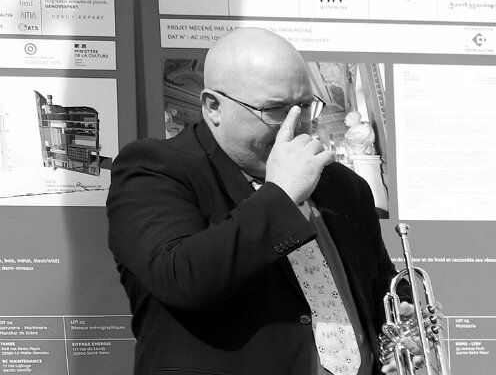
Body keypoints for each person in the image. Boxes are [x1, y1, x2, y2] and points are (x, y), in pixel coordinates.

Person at [106, 28, 399, 375]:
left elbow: (379, 286)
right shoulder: (155, 168)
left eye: (305, 106)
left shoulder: (343, 185)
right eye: (274, 109)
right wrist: (282, 195)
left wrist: (398, 326)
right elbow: (181, 279)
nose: (297, 125)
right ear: (213, 106)